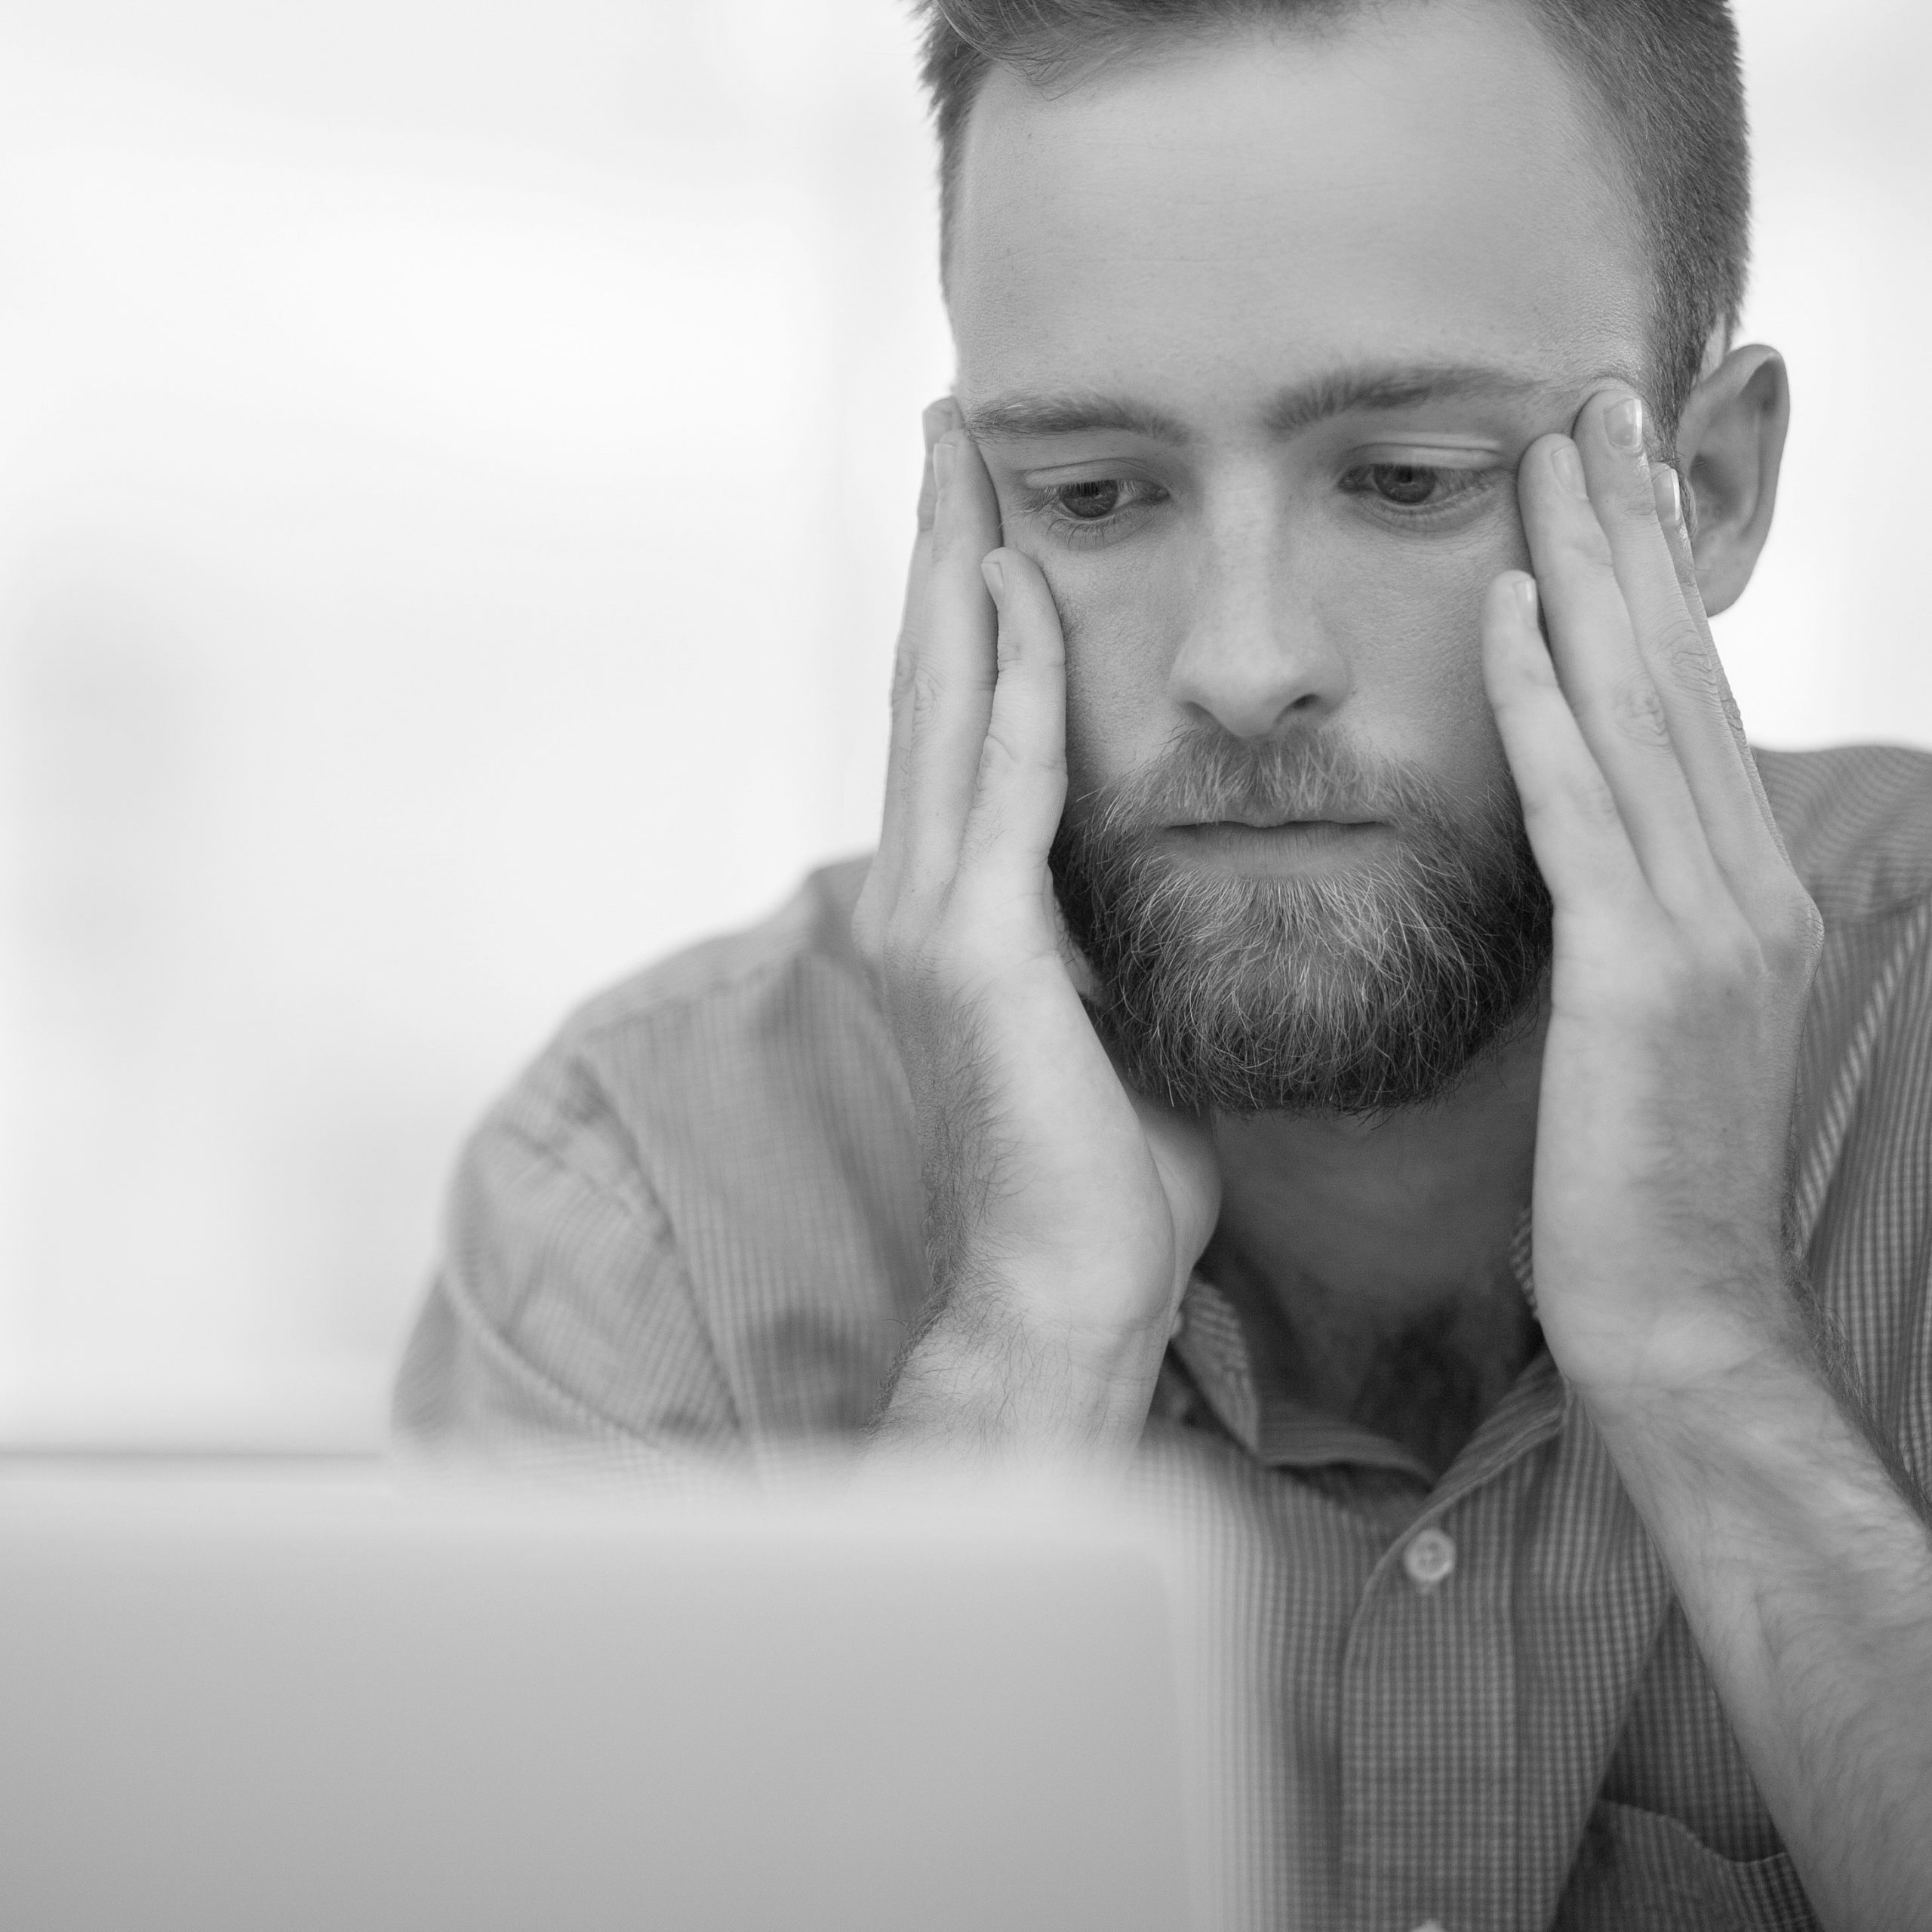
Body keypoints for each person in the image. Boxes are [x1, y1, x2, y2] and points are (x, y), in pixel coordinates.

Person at [394, 1, 1932, 1924]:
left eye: (1405, 475)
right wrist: (1021, 1349)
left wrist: (1708, 1360)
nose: (1236, 658)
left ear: (1699, 494)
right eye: (1095, 494)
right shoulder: (642, 1193)